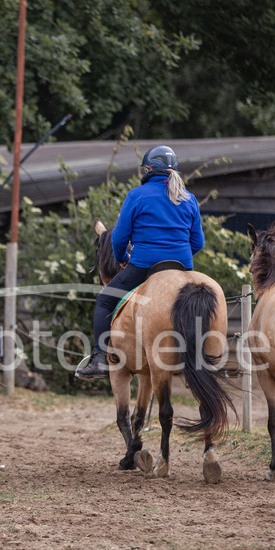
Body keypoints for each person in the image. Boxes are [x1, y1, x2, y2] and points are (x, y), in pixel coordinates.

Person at [76, 144, 205, 379]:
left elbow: (119, 237)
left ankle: (99, 358)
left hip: (145, 266)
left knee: (105, 300)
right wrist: (180, 257)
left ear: (149, 169)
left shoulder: (137, 195)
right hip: (182, 267)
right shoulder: (189, 198)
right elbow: (198, 242)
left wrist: (123, 258)